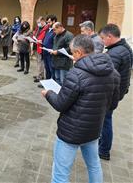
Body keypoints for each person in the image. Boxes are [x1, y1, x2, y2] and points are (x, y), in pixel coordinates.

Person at [41, 34, 120, 183]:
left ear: (78, 52)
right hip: (94, 130)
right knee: (94, 166)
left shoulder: (76, 74)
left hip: (71, 133)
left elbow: (60, 104)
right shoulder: (113, 73)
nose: (72, 55)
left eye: (72, 52)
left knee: (60, 173)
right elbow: (113, 104)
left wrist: (49, 94)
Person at [98, 24, 133, 160]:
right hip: (118, 91)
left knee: (105, 120)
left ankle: (103, 151)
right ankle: (103, 146)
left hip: (110, 94)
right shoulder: (124, 48)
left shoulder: (115, 53)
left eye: (102, 38)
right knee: (106, 119)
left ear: (110, 36)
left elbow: (105, 75)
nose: (102, 41)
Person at [32, 16, 49, 83]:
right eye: (37, 23)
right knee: (38, 62)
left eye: (39, 22)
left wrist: (39, 40)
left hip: (41, 47)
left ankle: (40, 76)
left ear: (42, 21)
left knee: (40, 62)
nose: (38, 24)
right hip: (36, 45)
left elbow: (44, 38)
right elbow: (35, 34)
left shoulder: (46, 28)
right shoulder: (39, 27)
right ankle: (38, 74)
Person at [42, 15, 57, 80]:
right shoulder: (48, 30)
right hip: (45, 52)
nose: (48, 24)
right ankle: (47, 82)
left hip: (50, 53)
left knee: (51, 69)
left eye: (49, 22)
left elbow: (56, 43)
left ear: (54, 21)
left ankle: (52, 84)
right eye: (47, 22)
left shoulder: (55, 31)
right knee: (47, 68)